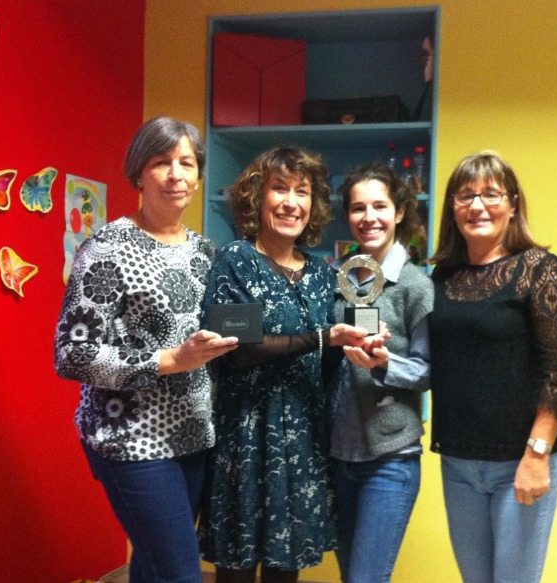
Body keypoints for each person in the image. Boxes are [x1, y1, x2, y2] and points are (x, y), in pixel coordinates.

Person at [54, 117, 238, 583]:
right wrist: (169, 360)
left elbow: (218, 330)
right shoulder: (107, 248)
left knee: (153, 569)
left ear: (198, 175)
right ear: (139, 173)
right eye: (161, 162)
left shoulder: (205, 252)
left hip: (194, 435)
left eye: (187, 163)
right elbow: (71, 353)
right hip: (130, 440)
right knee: (181, 574)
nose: (176, 175)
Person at [199, 145, 376, 583]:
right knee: (236, 571)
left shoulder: (321, 275)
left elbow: (326, 361)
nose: (290, 202)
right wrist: (323, 338)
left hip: (302, 444)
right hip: (245, 438)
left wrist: (361, 344)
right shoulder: (235, 261)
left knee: (285, 571)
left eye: (302, 191)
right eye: (279, 188)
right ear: (257, 197)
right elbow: (241, 349)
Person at [427, 151, 557, 583]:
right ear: (452, 208)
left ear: (512, 205)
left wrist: (537, 455)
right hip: (458, 463)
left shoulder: (539, 270)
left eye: (491, 194)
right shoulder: (442, 278)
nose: (477, 206)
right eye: (465, 196)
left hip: (520, 462)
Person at [328, 163, 433, 583]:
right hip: (337, 455)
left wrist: (384, 362)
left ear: (399, 212)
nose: (368, 217)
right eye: (358, 208)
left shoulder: (415, 286)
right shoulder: (337, 279)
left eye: (380, 206)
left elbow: (427, 372)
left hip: (390, 458)